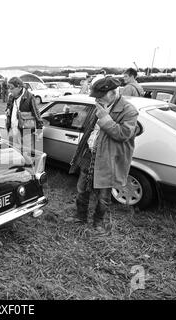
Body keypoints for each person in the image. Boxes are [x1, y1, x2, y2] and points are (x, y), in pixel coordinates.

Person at [66, 77, 139, 234]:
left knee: (103, 196)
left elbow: (123, 134)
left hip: (108, 159)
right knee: (82, 189)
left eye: (100, 95)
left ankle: (98, 223)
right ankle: (80, 216)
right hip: (89, 154)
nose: (96, 98)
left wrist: (105, 118)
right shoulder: (99, 104)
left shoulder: (129, 110)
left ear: (113, 92)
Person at [5, 77, 43, 156]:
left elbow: (36, 113)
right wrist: (7, 110)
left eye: (12, 88)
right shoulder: (11, 96)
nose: (10, 90)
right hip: (12, 128)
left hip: (26, 131)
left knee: (26, 153)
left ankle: (26, 167)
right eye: (8, 88)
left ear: (19, 87)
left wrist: (39, 130)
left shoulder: (30, 97)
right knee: (14, 152)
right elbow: (8, 108)